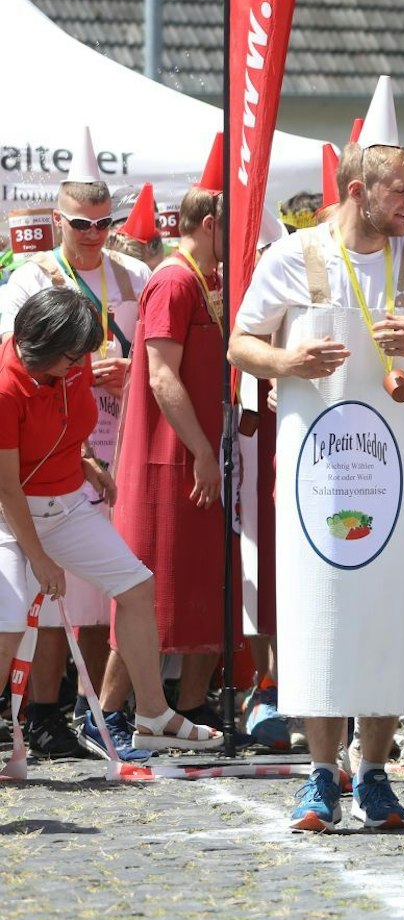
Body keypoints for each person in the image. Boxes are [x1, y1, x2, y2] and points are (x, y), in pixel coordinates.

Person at [229, 114, 404, 831]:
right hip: (317, 475)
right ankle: (319, 774)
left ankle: (373, 772)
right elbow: (243, 342)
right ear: (358, 188)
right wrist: (286, 363)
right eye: (402, 192)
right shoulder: (294, 254)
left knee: (393, 615)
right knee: (317, 615)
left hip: (397, 472)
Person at [0, 287, 223, 759]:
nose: (78, 365)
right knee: (8, 621)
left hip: (65, 506)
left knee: (137, 586)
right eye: (70, 357)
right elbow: (7, 487)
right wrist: (39, 559)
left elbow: (66, 420)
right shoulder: (5, 386)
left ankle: (153, 715)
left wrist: (85, 459)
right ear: (39, 345)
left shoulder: (70, 357)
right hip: (9, 515)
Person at [0, 131, 154, 759]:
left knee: (103, 593)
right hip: (34, 453)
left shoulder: (135, 272)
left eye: (105, 222)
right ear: (59, 221)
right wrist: (89, 372)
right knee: (30, 597)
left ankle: (106, 714)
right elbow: (25, 361)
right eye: (84, 224)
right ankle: (39, 711)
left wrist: (89, 454)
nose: (95, 234)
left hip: (103, 439)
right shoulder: (31, 279)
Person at [104, 181, 235, 752]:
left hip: (192, 457)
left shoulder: (207, 280)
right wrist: (203, 451)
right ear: (210, 224)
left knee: (193, 583)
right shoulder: (175, 279)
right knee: (147, 588)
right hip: (168, 460)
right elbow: (161, 376)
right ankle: (109, 714)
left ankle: (182, 712)